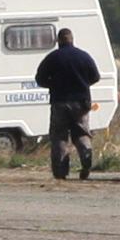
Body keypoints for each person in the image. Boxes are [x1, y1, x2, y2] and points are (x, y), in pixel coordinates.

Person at [37, 26, 102, 179]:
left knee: (59, 136)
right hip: (81, 102)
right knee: (82, 133)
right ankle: (86, 159)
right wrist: (83, 84)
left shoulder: (52, 58)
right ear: (72, 39)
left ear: (58, 41)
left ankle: (61, 172)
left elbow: (39, 79)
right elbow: (96, 77)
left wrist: (52, 85)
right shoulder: (84, 56)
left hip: (59, 102)